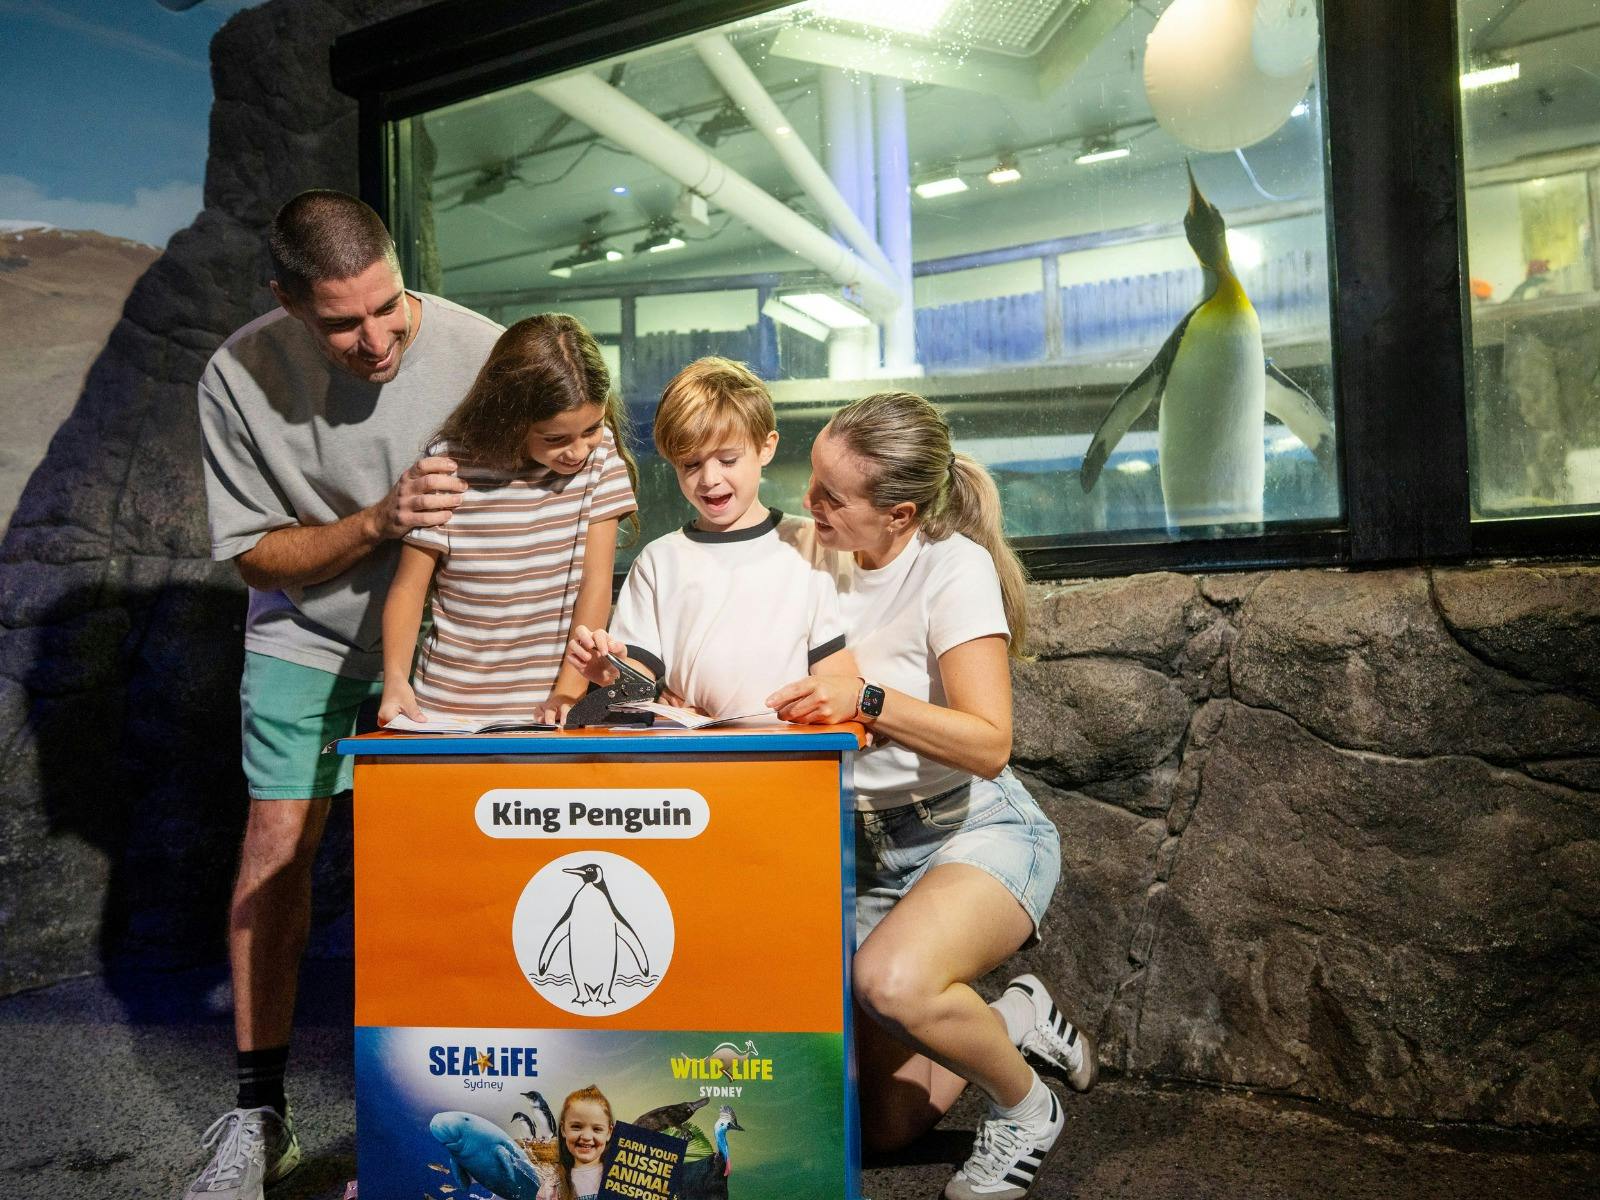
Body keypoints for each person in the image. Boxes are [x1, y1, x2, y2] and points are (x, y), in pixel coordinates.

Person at [191, 190, 501, 1200]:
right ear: (287, 300)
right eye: (343, 323)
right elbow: (255, 556)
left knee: (467, 852)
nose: (376, 341)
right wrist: (378, 521)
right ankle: (259, 1112)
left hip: (450, 635)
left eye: (388, 307)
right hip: (307, 630)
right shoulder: (235, 375)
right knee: (276, 847)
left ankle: (477, 1090)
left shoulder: (482, 350)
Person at [767, 392, 1096, 1200]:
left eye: (831, 496)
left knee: (890, 981)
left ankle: (1028, 1111)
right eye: (811, 480)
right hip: (861, 850)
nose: (808, 503)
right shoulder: (808, 548)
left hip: (969, 831)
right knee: (883, 1128)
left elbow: (989, 743)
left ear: (900, 513)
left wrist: (866, 700)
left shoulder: (952, 567)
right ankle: (1014, 1017)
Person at [378, 314, 638, 728]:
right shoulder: (450, 463)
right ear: (510, 418)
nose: (578, 451)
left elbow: (595, 584)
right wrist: (395, 680)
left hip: (547, 713)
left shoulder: (601, 456)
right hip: (444, 710)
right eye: (555, 438)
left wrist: (569, 691)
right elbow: (410, 586)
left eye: (591, 428)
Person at [565, 356, 854, 715]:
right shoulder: (658, 561)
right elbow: (638, 676)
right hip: (695, 745)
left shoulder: (810, 543)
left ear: (766, 447)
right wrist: (609, 673)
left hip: (791, 740)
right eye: (691, 464)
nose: (709, 479)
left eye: (728, 460)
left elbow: (837, 674)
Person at [538, 1085, 616, 1200]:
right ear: (563, 1129)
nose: (586, 1137)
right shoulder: (551, 1188)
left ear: (609, 1132)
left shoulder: (623, 1179)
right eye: (577, 1127)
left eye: (597, 1129)